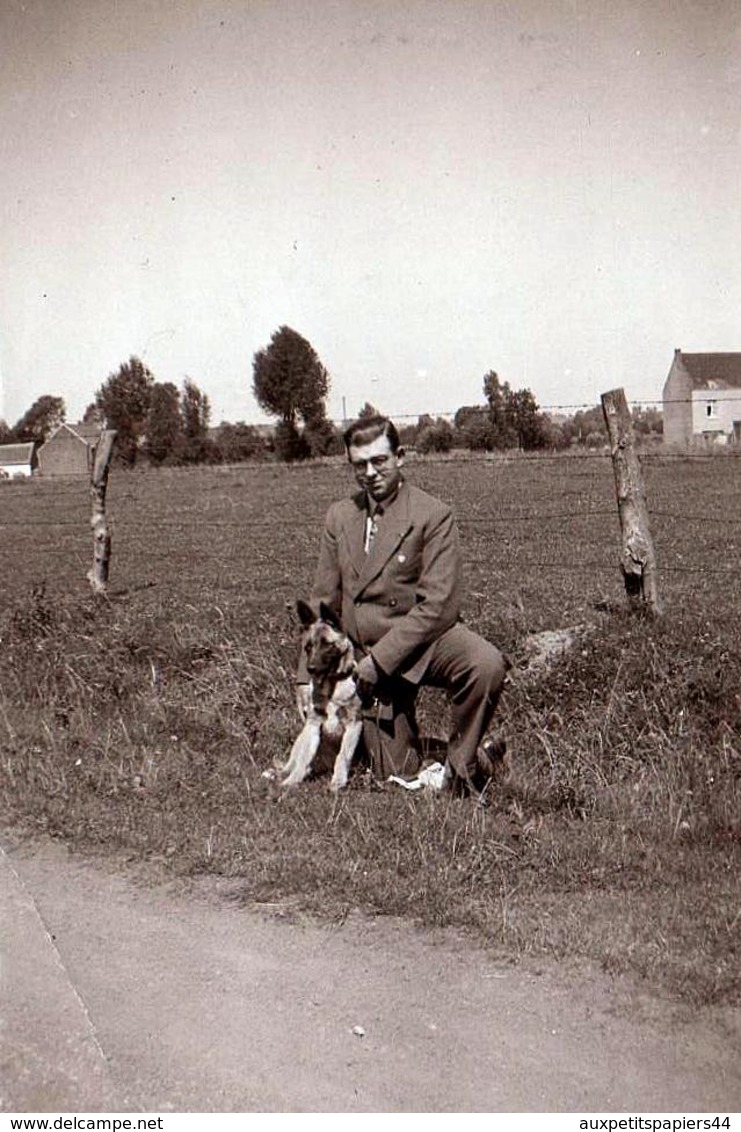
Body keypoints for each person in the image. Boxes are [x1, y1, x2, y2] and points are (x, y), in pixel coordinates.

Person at [296, 414, 508, 797]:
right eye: (360, 464)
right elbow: (323, 601)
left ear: (401, 456)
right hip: (361, 656)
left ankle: (461, 770)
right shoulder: (340, 516)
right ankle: (481, 754)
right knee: (393, 770)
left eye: (380, 461)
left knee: (484, 663)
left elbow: (439, 607)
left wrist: (379, 663)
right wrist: (305, 678)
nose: (371, 472)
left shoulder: (433, 514)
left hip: (419, 643)